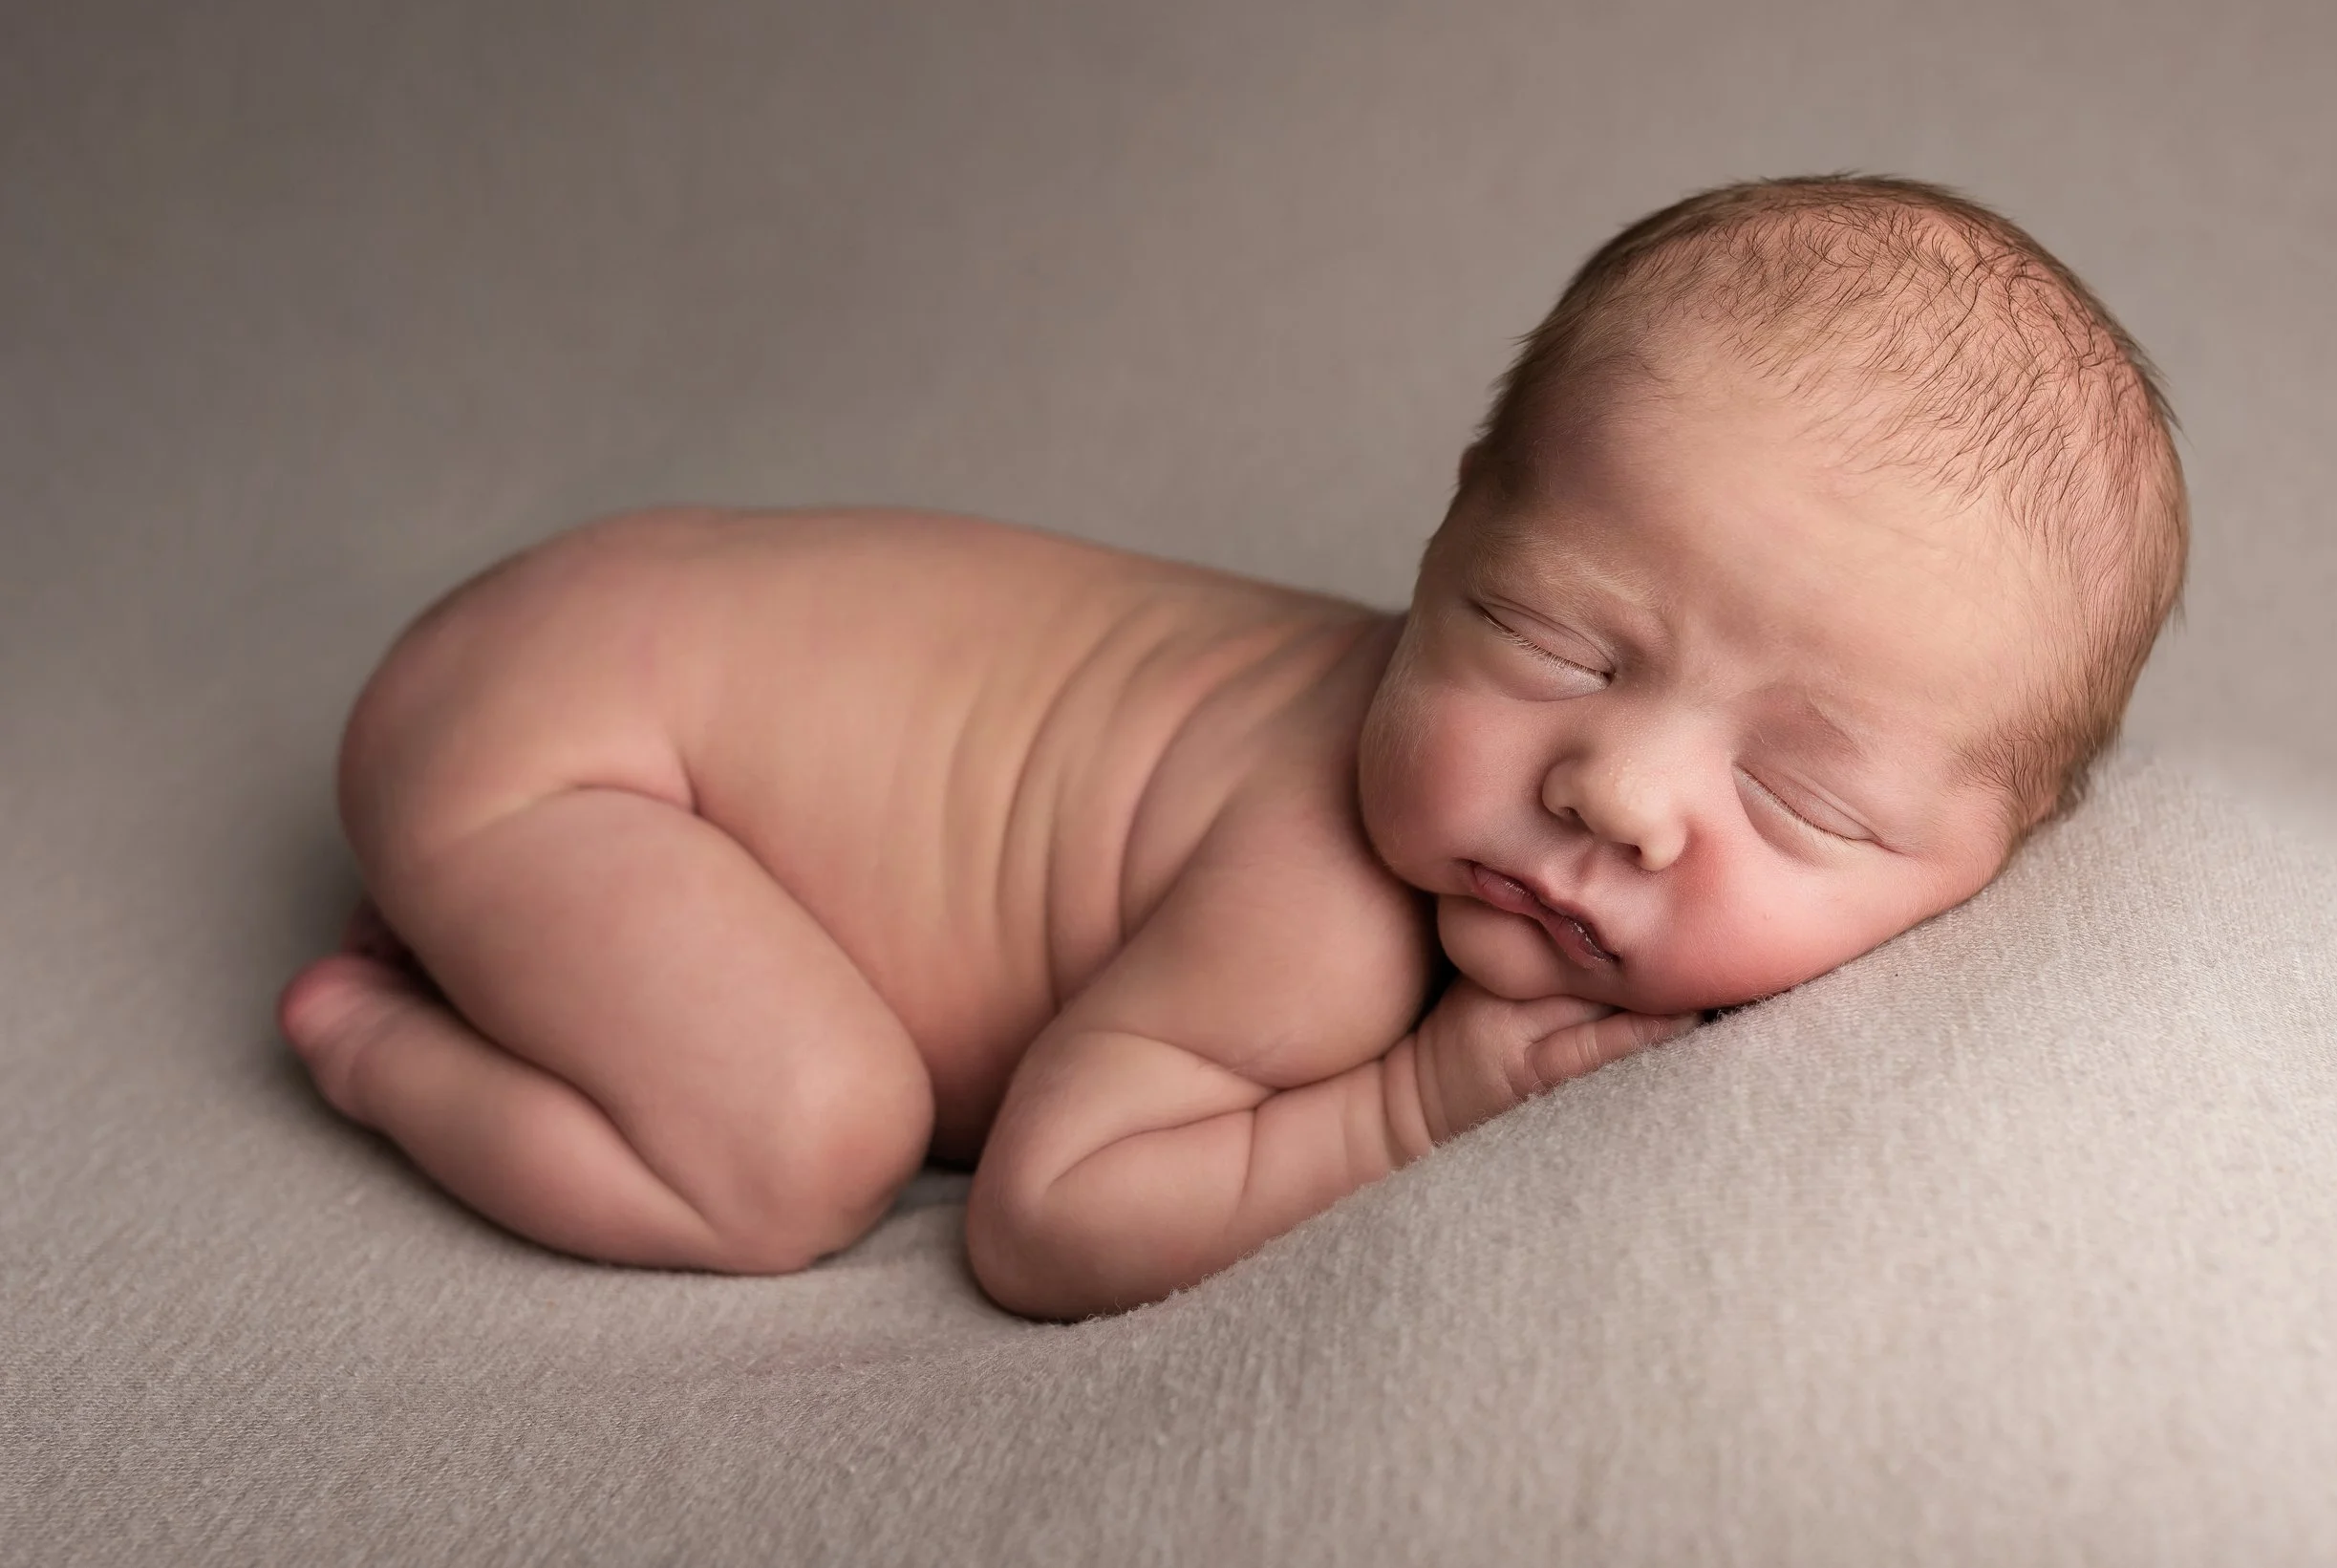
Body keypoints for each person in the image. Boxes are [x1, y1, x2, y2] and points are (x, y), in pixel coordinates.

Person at [278, 175, 2188, 1321]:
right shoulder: (1323, 898)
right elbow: (1042, 1220)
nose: (1609, 787)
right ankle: (383, 1044)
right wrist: (1412, 1107)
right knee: (796, 1148)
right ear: (1441, 550)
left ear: (1986, 860)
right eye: (1541, 638)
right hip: (568, 738)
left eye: (1797, 798)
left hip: (638, 621)